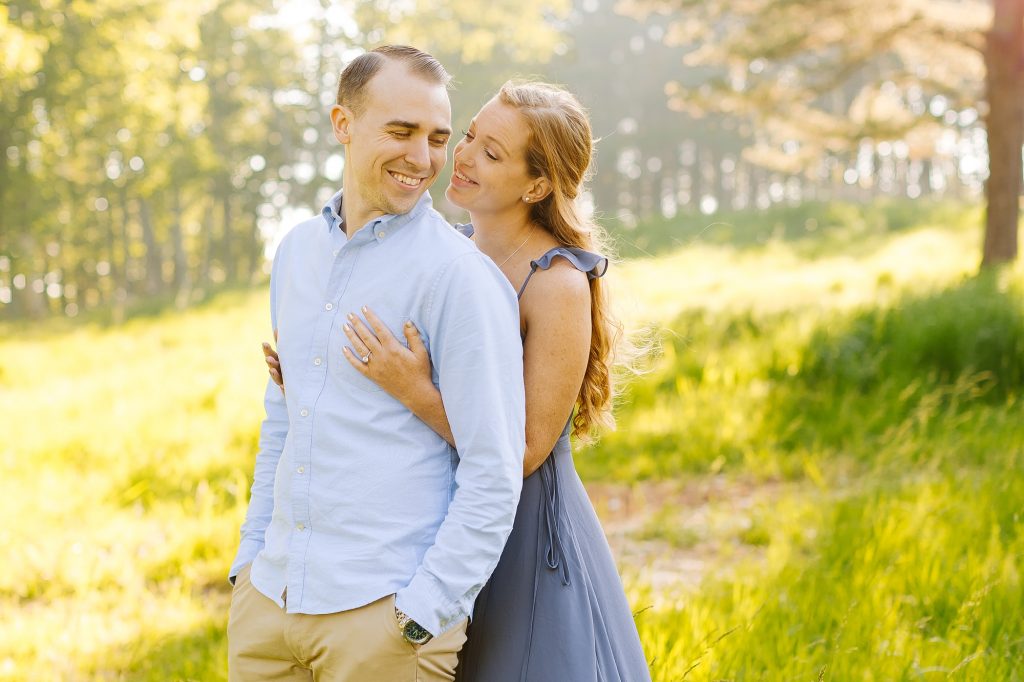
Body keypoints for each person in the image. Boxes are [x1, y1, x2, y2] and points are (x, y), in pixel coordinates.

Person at [266, 81, 651, 681]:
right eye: (470, 134)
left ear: (537, 185)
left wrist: (414, 390)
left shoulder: (555, 284)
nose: (461, 156)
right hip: (430, 522)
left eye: (492, 153)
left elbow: (521, 453)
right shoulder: (446, 255)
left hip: (518, 533)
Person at [228, 46, 526, 682]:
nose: (422, 159)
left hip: (384, 621)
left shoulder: (459, 277)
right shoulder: (296, 253)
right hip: (269, 608)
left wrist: (423, 614)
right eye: (401, 132)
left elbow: (493, 467)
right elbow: (284, 420)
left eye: (438, 138)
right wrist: (249, 564)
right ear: (343, 124)